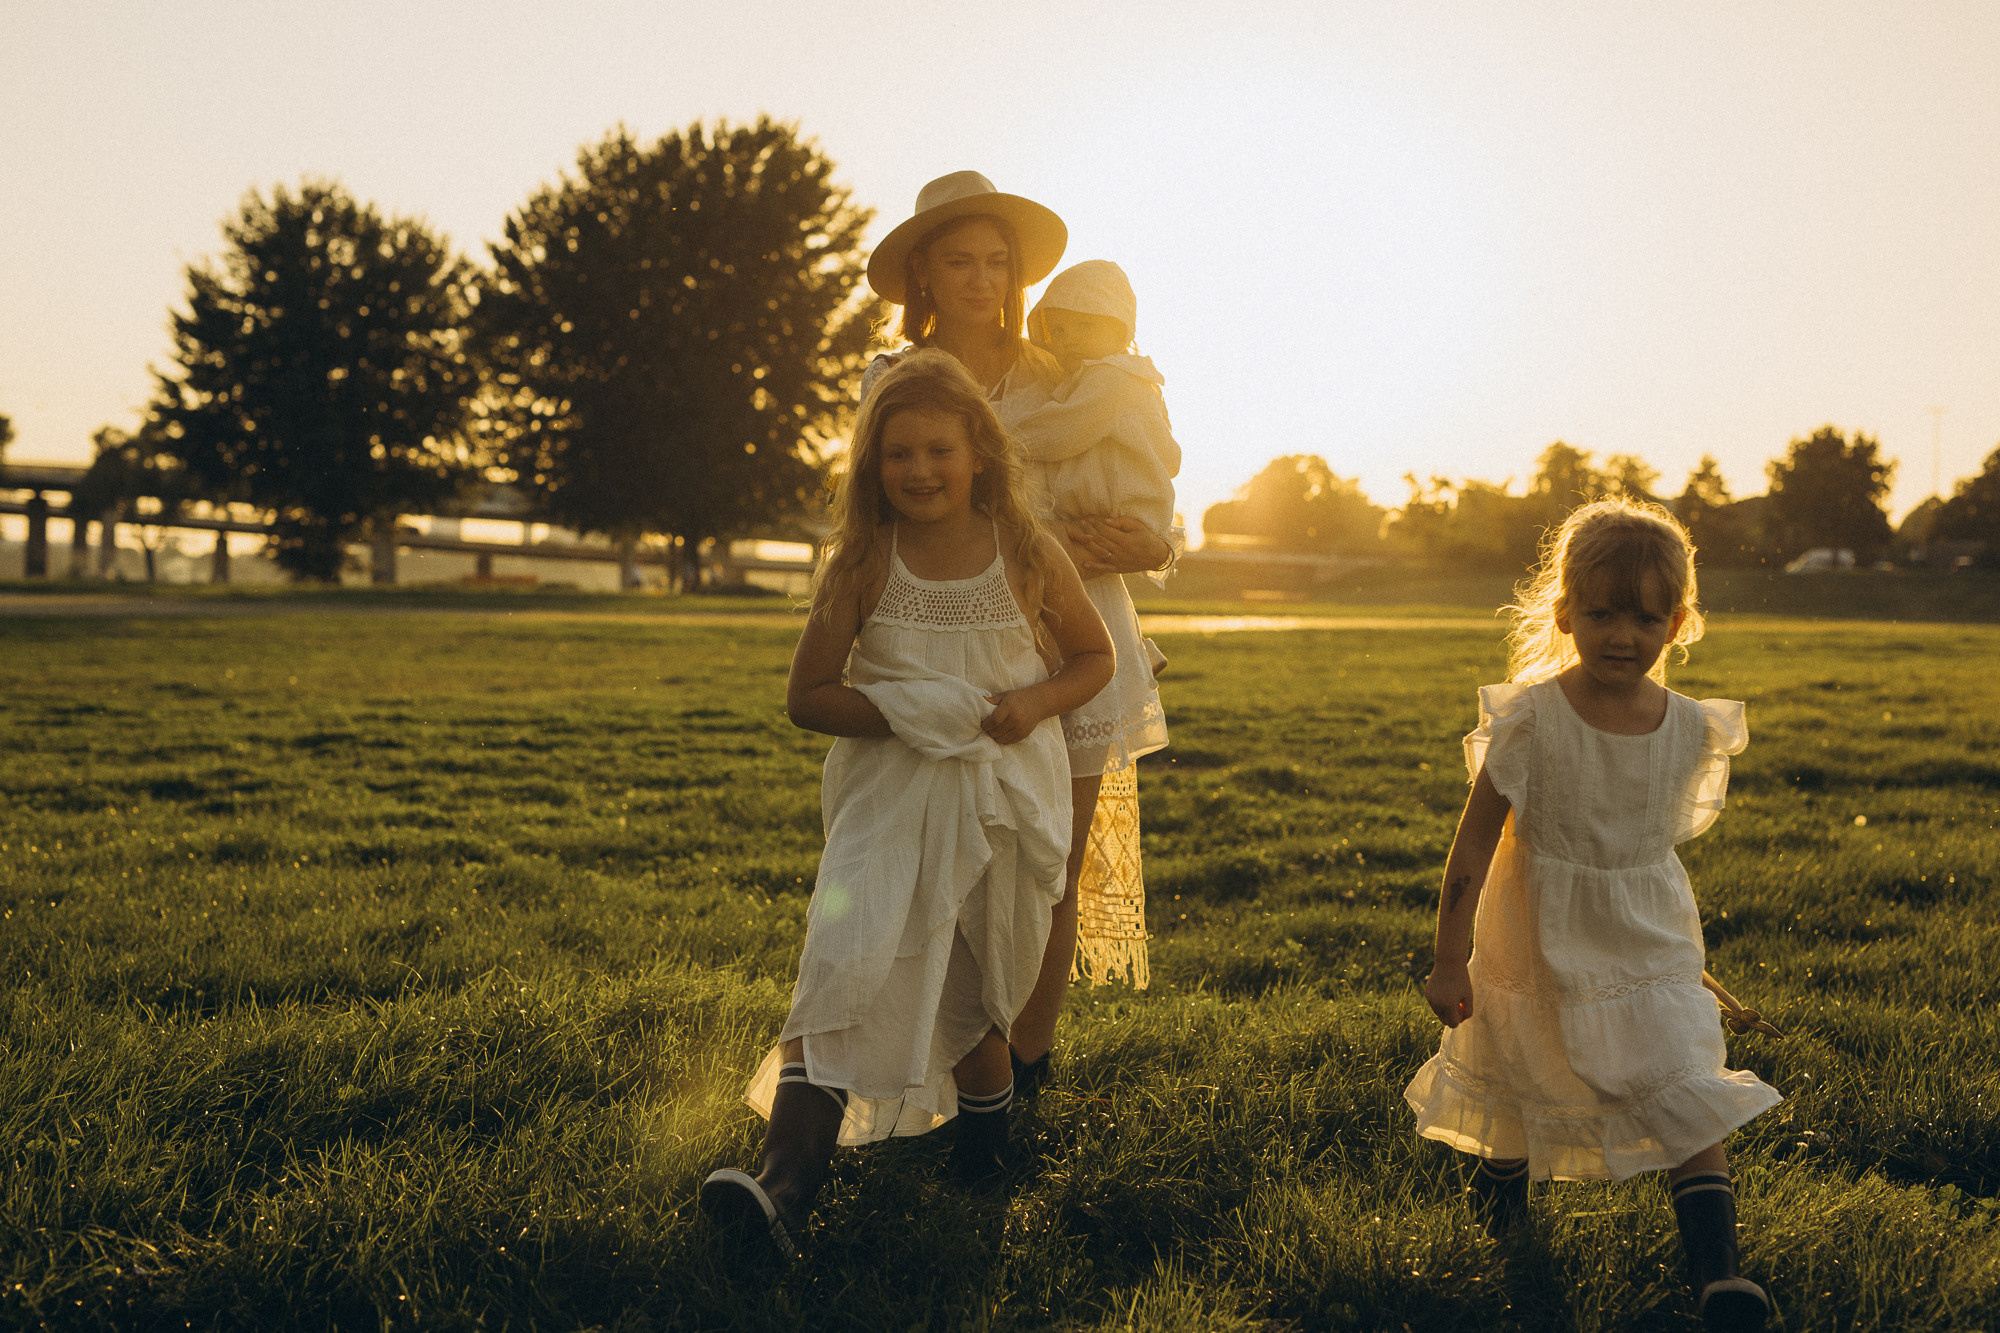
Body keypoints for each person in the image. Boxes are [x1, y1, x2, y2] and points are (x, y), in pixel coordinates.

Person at [699, 350, 1114, 1259]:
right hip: (884, 805)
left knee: (967, 999)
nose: (920, 470)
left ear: (980, 456)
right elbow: (808, 694)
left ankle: (984, 1153)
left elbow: (1094, 658)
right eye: (898, 455)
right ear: (872, 466)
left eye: (938, 450)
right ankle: (783, 1186)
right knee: (838, 967)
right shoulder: (863, 559)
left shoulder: (1026, 551)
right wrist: (911, 709)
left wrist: (1034, 703)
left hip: (997, 802)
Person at [1403, 498, 1781, 1332]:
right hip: (1532, 934)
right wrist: (1448, 957)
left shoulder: (1690, 728)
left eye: (1647, 617)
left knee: (1684, 1077)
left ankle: (1721, 1279)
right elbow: (1471, 846)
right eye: (1603, 612)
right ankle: (1504, 1226)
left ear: (1679, 623)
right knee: (1516, 1071)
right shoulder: (1532, 719)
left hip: (1650, 939)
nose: (1623, 634)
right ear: (1565, 610)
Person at [863, 172, 1177, 1088]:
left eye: (998, 261)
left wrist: (1152, 539)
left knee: (1054, 868)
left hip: (1078, 640)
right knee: (946, 868)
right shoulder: (895, 380)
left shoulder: (1070, 372)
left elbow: (1139, 472)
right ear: (922, 272)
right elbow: (884, 506)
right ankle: (954, 1063)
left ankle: (1028, 1067)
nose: (983, 280)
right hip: (948, 642)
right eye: (960, 261)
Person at [1007, 259, 1182, 989]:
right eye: (1062, 322)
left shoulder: (1107, 378)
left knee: (1056, 863)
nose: (1071, 335)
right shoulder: (1076, 374)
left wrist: (991, 434)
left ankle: (1029, 1044)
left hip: (1087, 572)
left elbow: (1053, 438)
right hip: (1038, 577)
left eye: (1085, 323)